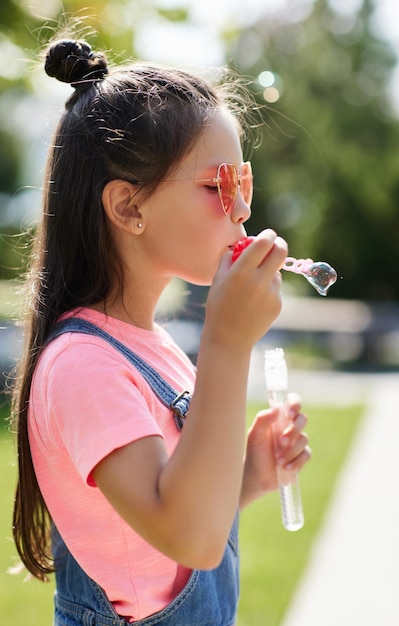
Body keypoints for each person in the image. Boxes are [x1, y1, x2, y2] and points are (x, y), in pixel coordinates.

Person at [11, 37, 311, 626]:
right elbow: (190, 537)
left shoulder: (152, 346)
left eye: (242, 182)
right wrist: (227, 343)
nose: (242, 210)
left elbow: (173, 521)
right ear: (127, 207)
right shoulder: (81, 368)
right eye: (218, 185)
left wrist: (250, 472)